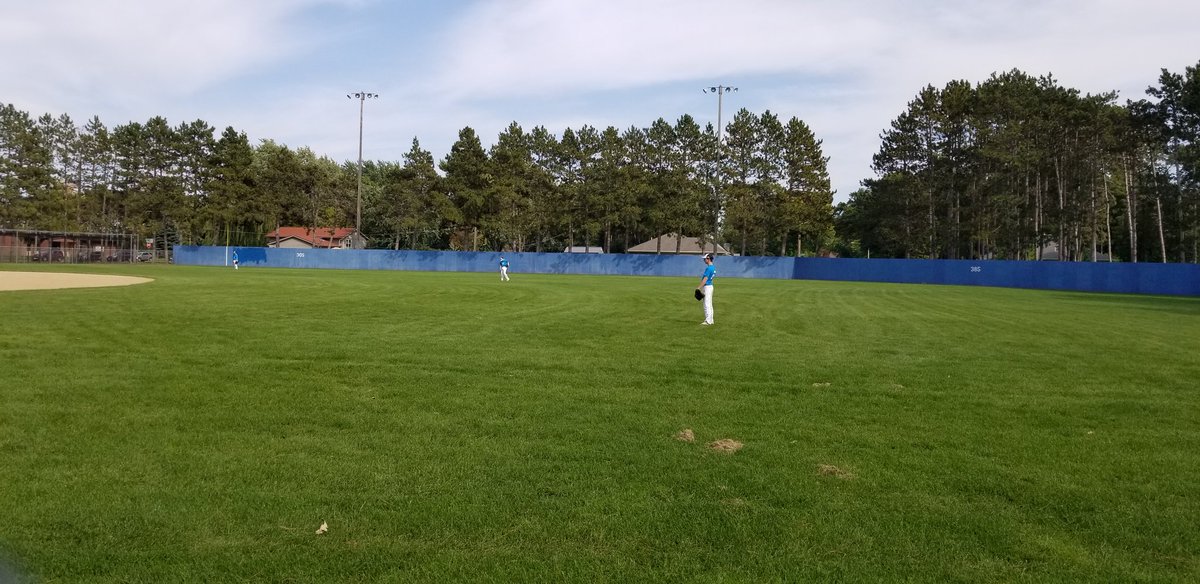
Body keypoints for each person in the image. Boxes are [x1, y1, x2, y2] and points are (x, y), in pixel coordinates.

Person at [696, 253, 715, 325]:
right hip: (710, 286)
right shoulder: (713, 267)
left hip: (707, 287)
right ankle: (711, 320)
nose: (704, 260)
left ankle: (708, 321)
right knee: (709, 304)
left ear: (708, 259)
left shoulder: (709, 268)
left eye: (705, 259)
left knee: (706, 304)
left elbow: (705, 279)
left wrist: (699, 288)